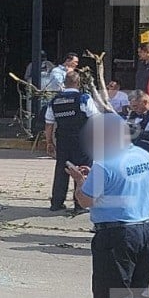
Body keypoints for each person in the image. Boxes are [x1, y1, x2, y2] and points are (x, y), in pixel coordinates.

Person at [65, 115, 149, 298]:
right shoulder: (143, 156)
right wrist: (93, 177)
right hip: (145, 229)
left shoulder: (105, 163)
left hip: (116, 234)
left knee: (113, 294)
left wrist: (80, 181)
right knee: (139, 289)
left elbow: (86, 200)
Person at [45, 70, 101, 213]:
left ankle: (56, 203)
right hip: (82, 140)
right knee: (82, 170)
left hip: (63, 140)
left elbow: (49, 123)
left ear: (65, 83)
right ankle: (80, 204)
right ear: (78, 83)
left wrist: (49, 142)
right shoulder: (83, 98)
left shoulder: (54, 100)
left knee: (61, 171)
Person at [127, 89, 149, 154]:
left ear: (144, 102)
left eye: (135, 106)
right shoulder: (134, 113)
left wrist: (136, 132)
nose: (133, 109)